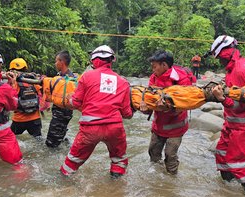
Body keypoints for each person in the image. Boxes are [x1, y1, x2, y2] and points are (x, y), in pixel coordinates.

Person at [60, 45, 133, 178]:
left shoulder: (86, 76)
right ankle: (116, 189)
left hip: (90, 129)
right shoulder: (123, 82)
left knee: (72, 162)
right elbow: (127, 113)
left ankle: (63, 184)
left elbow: (76, 103)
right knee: (119, 160)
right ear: (111, 61)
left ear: (94, 60)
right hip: (115, 128)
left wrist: (66, 100)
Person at [210, 35, 245, 195]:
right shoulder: (233, 67)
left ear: (225, 53)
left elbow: (241, 104)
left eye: (219, 58)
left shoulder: (241, 70)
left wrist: (221, 99)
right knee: (221, 152)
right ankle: (227, 191)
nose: (219, 61)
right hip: (233, 121)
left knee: (236, 162)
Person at [140, 50, 193, 175]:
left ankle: (171, 181)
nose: (153, 70)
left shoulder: (181, 78)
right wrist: (144, 106)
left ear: (164, 65)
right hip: (159, 125)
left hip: (176, 127)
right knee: (153, 152)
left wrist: (168, 106)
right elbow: (150, 101)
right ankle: (156, 177)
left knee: (170, 155)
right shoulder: (154, 78)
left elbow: (186, 102)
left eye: (155, 67)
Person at [46, 51, 77, 148]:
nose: (55, 64)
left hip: (61, 115)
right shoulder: (59, 76)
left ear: (61, 62)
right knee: (58, 140)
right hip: (59, 113)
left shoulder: (71, 80)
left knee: (50, 144)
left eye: (56, 61)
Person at [8, 58, 43, 141]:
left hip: (19, 119)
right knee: (38, 141)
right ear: (25, 69)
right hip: (35, 119)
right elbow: (42, 97)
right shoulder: (34, 81)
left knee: (10, 140)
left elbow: (10, 100)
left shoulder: (13, 83)